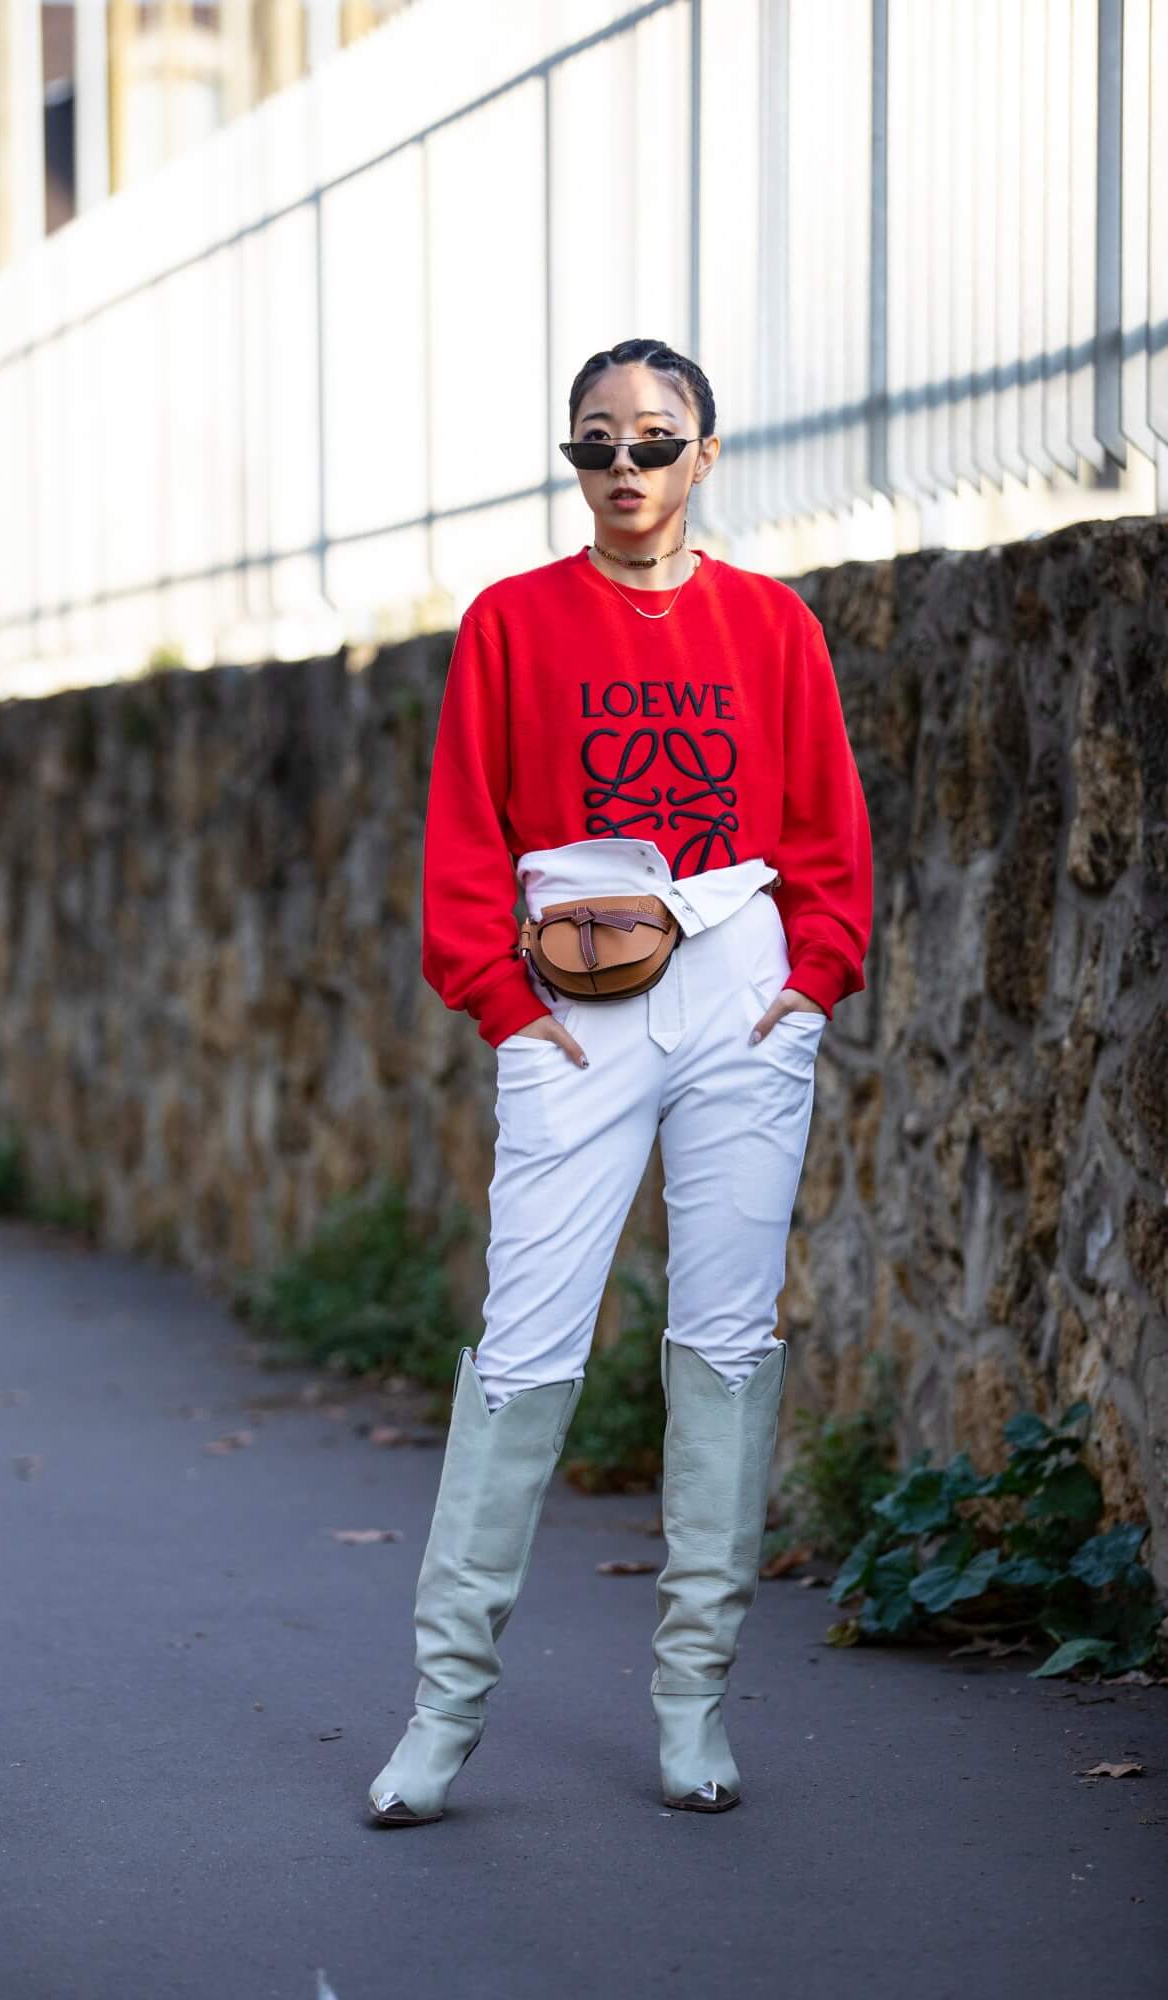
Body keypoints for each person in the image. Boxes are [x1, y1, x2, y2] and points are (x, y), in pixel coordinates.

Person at [367, 337, 873, 1826]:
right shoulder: (513, 625)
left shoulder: (773, 626)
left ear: (704, 456)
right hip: (572, 1008)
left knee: (722, 1338)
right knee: (522, 1344)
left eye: (655, 442)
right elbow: (464, 835)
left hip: (740, 990)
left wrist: (804, 991)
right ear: (572, 463)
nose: (626, 470)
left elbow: (829, 840)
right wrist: (501, 1008)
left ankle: (692, 1706)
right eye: (597, 444)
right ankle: (440, 1716)